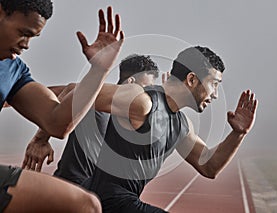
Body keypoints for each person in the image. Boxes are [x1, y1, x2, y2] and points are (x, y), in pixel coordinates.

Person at [24, 45, 258, 212]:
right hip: (105, 200)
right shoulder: (142, 101)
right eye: (214, 85)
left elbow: (209, 166)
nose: (216, 94)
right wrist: (41, 138)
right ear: (192, 79)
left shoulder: (181, 125)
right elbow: (77, 92)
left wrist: (238, 134)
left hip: (124, 203)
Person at [0, 0, 124, 211]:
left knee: (86, 205)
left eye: (33, 37)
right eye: (23, 32)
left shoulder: (13, 70)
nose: (26, 44)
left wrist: (99, 71)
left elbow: (57, 123)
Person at [23, 54, 160, 186]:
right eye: (146, 88)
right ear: (131, 82)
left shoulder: (135, 116)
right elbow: (69, 89)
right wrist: (41, 139)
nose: (148, 94)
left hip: (101, 191)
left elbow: (61, 90)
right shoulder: (96, 99)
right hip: (74, 185)